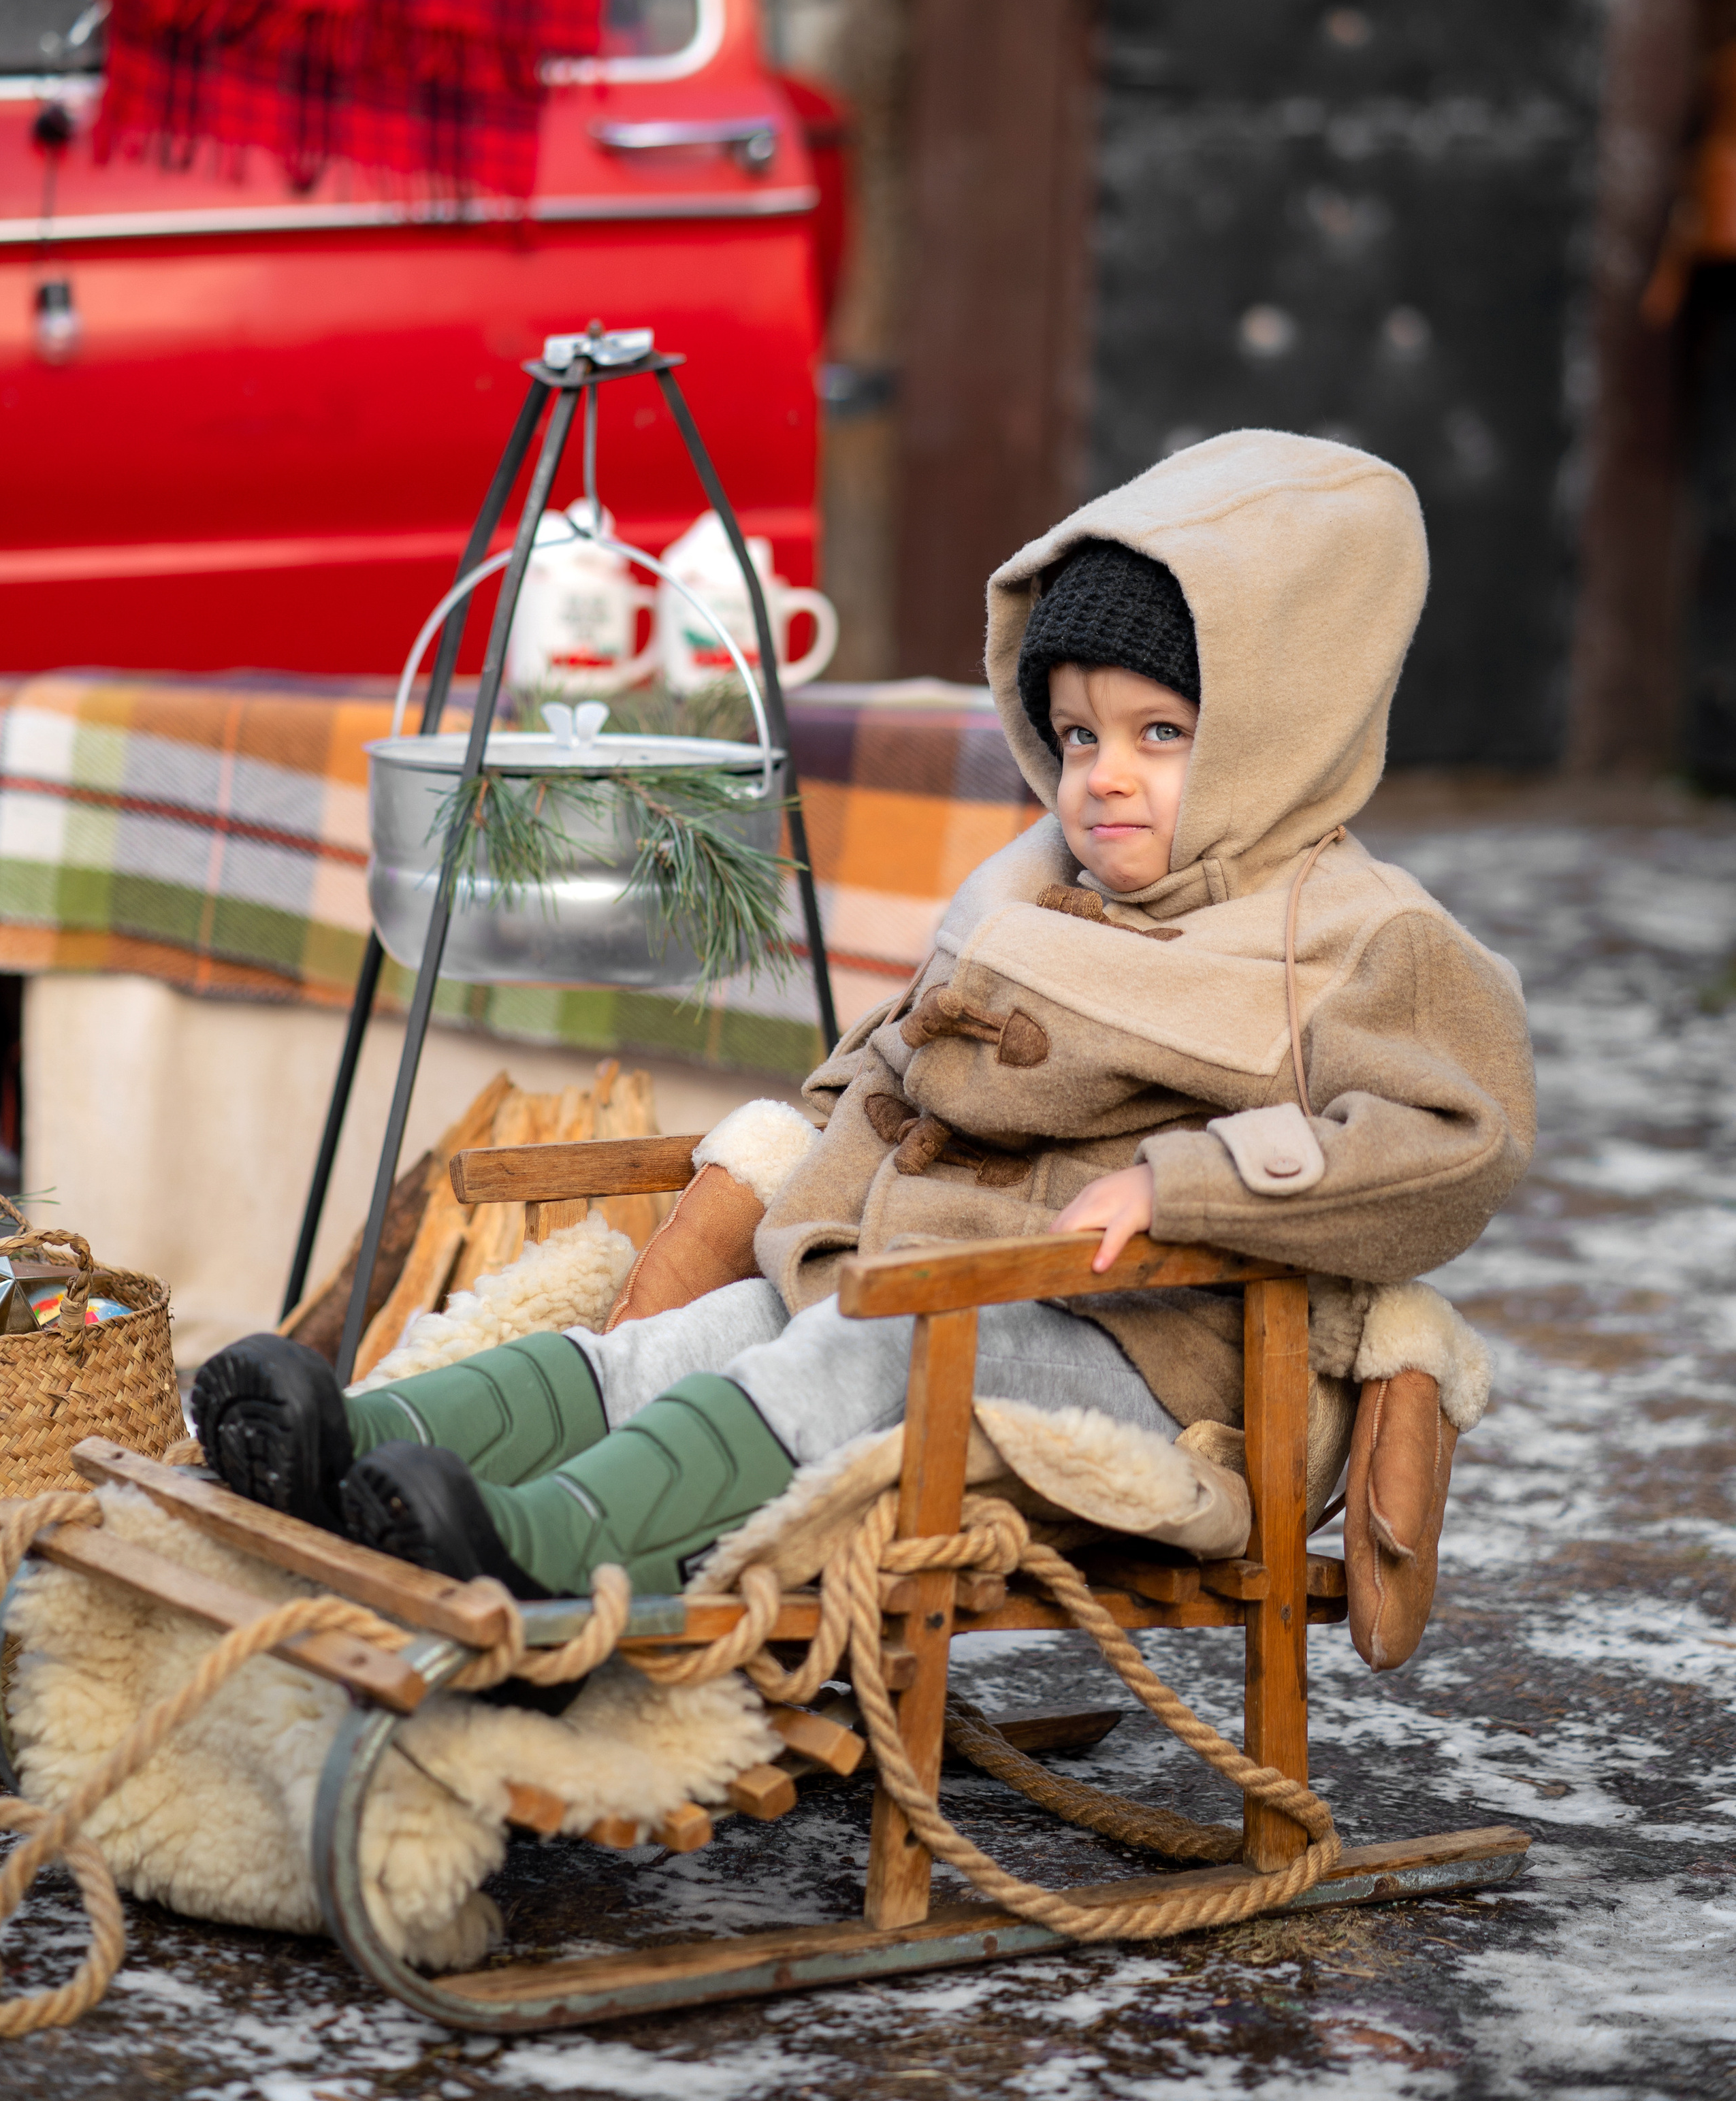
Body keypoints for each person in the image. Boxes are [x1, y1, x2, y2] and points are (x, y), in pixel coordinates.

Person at [195, 430, 1534, 1665]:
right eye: (1075, 735)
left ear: (1276, 737)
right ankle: (364, 1447)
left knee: (844, 1360)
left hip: (1144, 1353)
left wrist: (1193, 1182)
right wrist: (795, 1180)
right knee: (700, 1339)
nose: (1100, 776)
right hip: (907, 1269)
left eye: (1159, 736)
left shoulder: (1348, 936)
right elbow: (886, 1057)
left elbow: (1452, 1142)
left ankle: (548, 1547)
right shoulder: (1036, 884)